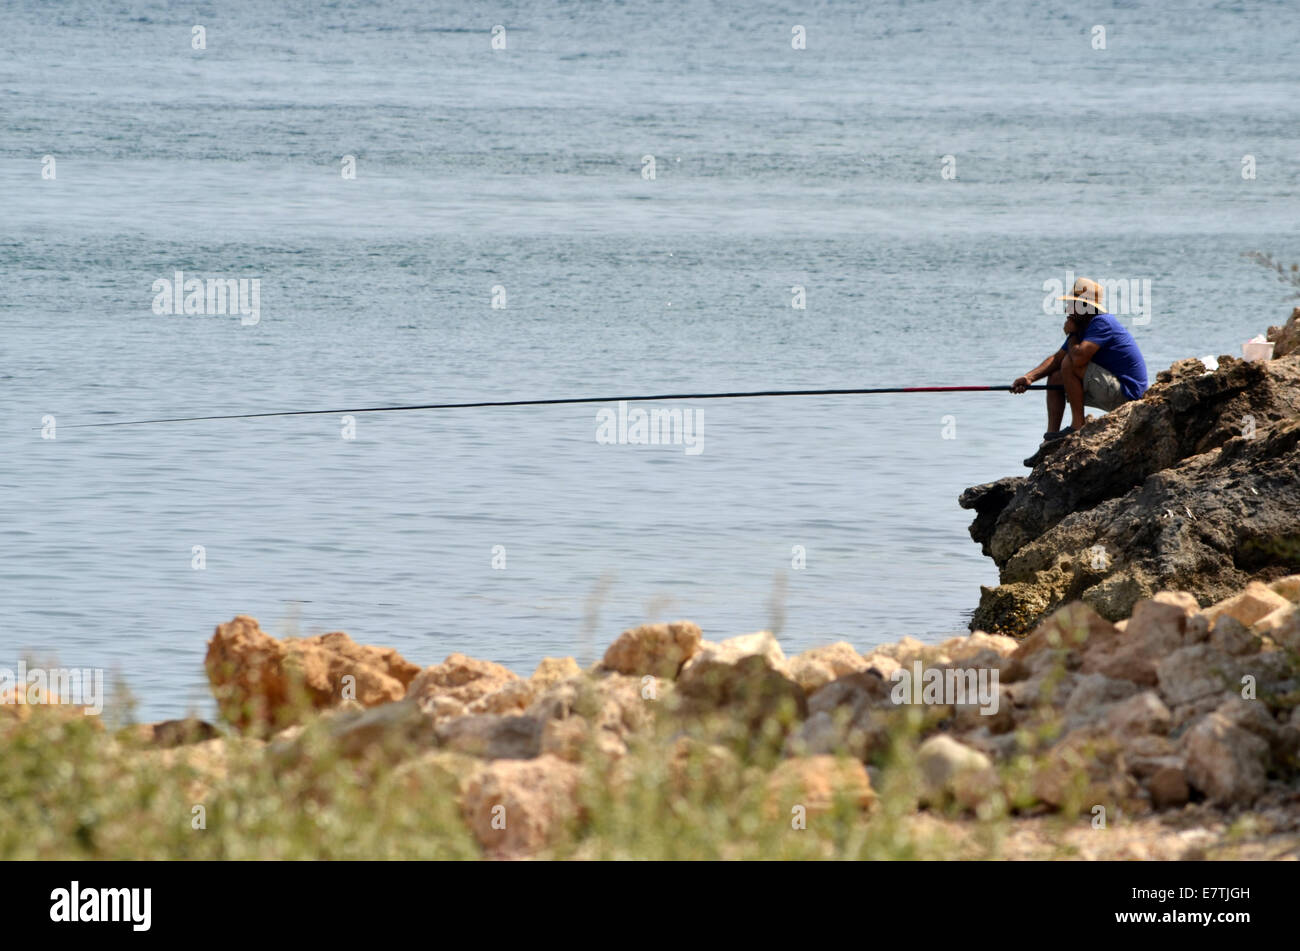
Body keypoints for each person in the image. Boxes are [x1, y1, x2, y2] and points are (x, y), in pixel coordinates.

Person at [1012, 277, 1148, 465]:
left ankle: (1077, 425)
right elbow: (1055, 359)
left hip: (1127, 395)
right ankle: (1050, 441)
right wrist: (1029, 378)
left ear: (1085, 306)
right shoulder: (1083, 326)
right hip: (1110, 389)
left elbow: (1077, 358)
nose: (1067, 309)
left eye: (1071, 304)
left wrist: (1072, 334)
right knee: (1057, 375)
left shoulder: (1101, 323)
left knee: (1070, 363)